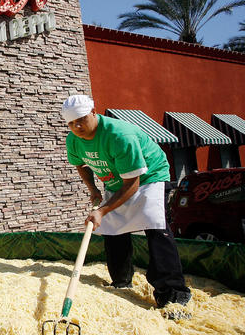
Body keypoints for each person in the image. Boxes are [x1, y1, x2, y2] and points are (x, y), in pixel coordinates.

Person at [61, 94, 191, 312]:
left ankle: (173, 294)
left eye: (81, 119)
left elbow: (132, 183)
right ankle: (121, 282)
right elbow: (81, 165)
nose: (78, 126)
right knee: (113, 229)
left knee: (155, 227)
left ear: (94, 112)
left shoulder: (119, 135)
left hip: (149, 176)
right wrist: (94, 191)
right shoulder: (73, 140)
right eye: (72, 123)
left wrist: (102, 211)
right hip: (115, 180)